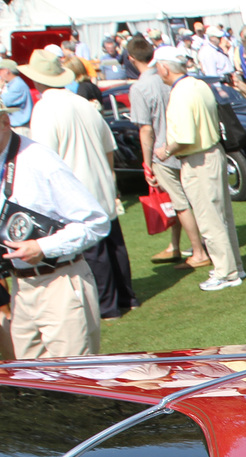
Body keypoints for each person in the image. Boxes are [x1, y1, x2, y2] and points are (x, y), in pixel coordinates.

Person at [27, 49, 137, 321]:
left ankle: (107, 306)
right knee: (113, 243)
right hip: (100, 180)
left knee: (94, 249)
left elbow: (43, 156)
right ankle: (126, 297)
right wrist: (108, 177)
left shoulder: (44, 109)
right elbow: (108, 146)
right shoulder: (81, 103)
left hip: (76, 186)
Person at [0, 103, 109, 359]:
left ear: (5, 122)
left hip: (60, 280)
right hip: (21, 287)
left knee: (74, 382)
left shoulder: (38, 159)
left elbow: (95, 221)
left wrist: (42, 247)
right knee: (31, 386)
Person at [154, 46, 245, 291]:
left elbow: (184, 136)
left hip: (197, 158)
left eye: (158, 68)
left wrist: (165, 150)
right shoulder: (199, 85)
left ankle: (226, 272)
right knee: (222, 215)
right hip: (213, 152)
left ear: (164, 68)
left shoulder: (181, 93)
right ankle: (234, 265)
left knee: (209, 218)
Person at [126, 36, 208, 270]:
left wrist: (147, 162)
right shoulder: (168, 79)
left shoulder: (140, 87)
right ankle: (178, 245)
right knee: (185, 200)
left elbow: (145, 129)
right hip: (185, 147)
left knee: (181, 203)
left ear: (131, 59)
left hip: (164, 151)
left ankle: (199, 251)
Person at [0, 61, 33, 138]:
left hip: (20, 129)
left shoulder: (17, 85)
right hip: (16, 127)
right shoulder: (13, 84)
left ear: (7, 71)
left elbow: (3, 101)